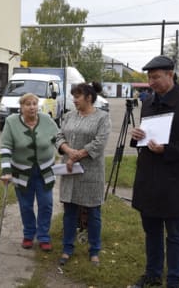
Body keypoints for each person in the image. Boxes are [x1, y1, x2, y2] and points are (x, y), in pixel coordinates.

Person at [129, 55, 179, 288]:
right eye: (149, 78)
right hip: (148, 178)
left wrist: (168, 150)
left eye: (156, 77)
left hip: (174, 180)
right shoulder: (148, 102)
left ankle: (173, 279)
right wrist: (137, 138)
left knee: (174, 233)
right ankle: (153, 273)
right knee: (151, 230)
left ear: (170, 75)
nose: (151, 82)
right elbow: (146, 137)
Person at [55, 82, 111, 266]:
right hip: (70, 171)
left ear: (89, 97)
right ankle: (67, 248)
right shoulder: (69, 115)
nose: (74, 99)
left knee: (93, 212)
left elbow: (99, 143)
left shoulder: (102, 117)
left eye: (77, 96)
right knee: (69, 211)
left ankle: (94, 250)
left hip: (91, 173)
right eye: (74, 96)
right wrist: (68, 151)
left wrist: (77, 155)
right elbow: (58, 136)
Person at [0, 93, 58, 251]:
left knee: (46, 204)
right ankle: (28, 234)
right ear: (21, 107)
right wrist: (6, 170)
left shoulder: (46, 119)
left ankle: (44, 236)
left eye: (34, 104)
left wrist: (68, 153)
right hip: (21, 172)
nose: (32, 107)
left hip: (45, 171)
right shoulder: (11, 122)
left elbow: (58, 138)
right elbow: (6, 147)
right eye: (28, 104)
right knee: (26, 206)